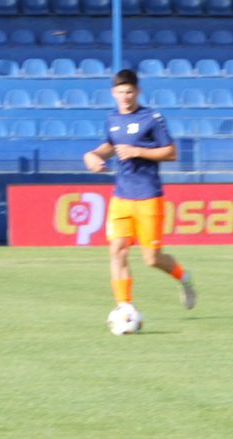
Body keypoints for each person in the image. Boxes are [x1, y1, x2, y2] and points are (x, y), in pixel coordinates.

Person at [83, 69, 195, 319]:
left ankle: (183, 277)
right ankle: (124, 306)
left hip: (148, 197)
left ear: (138, 92)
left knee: (152, 259)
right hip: (121, 196)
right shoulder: (112, 118)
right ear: (113, 93)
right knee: (117, 249)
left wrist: (138, 151)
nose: (125, 97)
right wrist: (93, 155)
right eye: (120, 92)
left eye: (129, 92)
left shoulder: (152, 118)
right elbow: (110, 145)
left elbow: (171, 153)